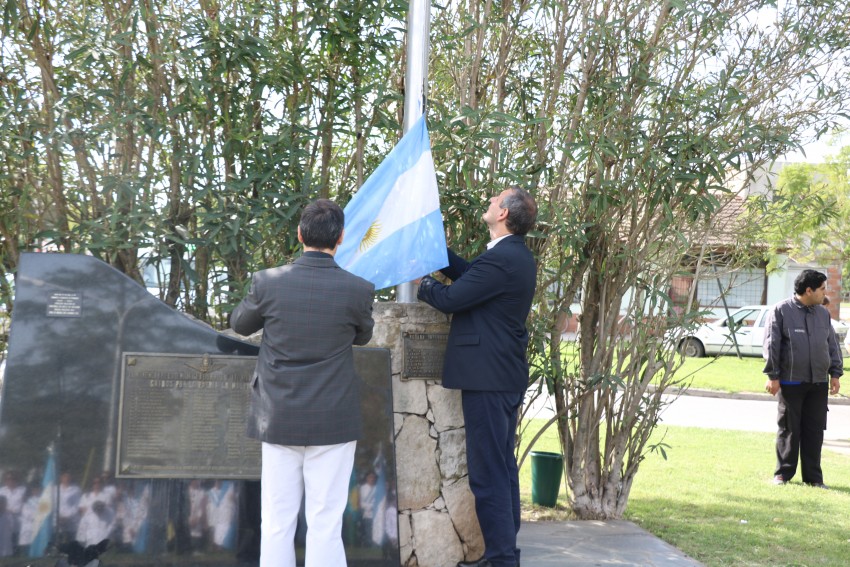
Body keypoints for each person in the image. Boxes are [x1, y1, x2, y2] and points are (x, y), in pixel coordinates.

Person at [230, 199, 375, 567]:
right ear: (340, 238)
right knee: (325, 521)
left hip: (278, 416)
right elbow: (362, 337)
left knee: (277, 520)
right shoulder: (357, 289)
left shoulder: (268, 282)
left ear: (299, 234)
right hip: (334, 418)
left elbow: (240, 324)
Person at [417, 186, 537, 567]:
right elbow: (470, 277)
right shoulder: (510, 256)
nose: (487, 203)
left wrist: (422, 284)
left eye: (493, 200)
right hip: (502, 376)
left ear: (503, 213)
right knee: (501, 471)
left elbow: (452, 299)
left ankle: (502, 559)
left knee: (488, 477)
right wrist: (434, 251)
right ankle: (506, 554)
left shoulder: (502, 259)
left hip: (489, 379)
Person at [763, 269, 843, 488]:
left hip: (818, 382)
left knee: (814, 431)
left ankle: (814, 479)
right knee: (789, 429)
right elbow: (772, 345)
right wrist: (773, 376)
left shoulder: (823, 313)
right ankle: (782, 474)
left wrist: (835, 373)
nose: (825, 292)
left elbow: (832, 345)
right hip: (790, 381)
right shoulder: (781, 311)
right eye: (823, 288)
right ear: (809, 290)